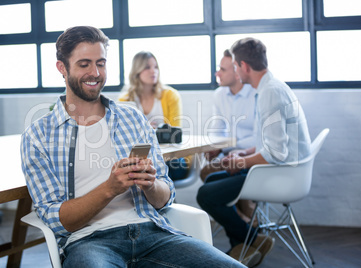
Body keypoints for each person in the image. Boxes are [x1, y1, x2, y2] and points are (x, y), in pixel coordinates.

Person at [21, 26, 244, 268]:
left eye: (101, 63)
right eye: (84, 64)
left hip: (153, 234)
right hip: (89, 242)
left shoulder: (133, 119)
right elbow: (57, 221)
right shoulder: (38, 136)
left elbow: (166, 197)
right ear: (62, 68)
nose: (95, 72)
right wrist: (109, 188)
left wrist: (150, 185)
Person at [197, 37, 311, 267]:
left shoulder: (270, 93)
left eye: (236, 66)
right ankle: (246, 246)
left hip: (281, 174)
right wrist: (243, 154)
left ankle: (252, 240)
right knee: (213, 179)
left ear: (244, 67)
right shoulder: (270, 87)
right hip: (276, 169)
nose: (236, 71)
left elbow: (276, 153)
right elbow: (269, 143)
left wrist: (241, 162)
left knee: (206, 195)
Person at [201, 49, 257, 226]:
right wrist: (213, 146)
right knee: (206, 171)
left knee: (216, 177)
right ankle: (246, 218)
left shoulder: (256, 95)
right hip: (230, 155)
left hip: (253, 156)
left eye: (222, 69)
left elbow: (260, 139)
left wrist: (224, 148)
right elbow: (217, 129)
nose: (217, 73)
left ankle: (246, 224)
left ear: (237, 70)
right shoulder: (219, 94)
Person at [119, 51, 189, 181]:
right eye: (147, 67)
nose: (153, 71)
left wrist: (146, 130)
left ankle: (164, 198)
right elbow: (126, 139)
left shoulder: (170, 95)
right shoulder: (125, 100)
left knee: (160, 170)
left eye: (155, 67)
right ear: (137, 71)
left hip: (173, 160)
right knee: (138, 169)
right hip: (143, 159)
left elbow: (174, 133)